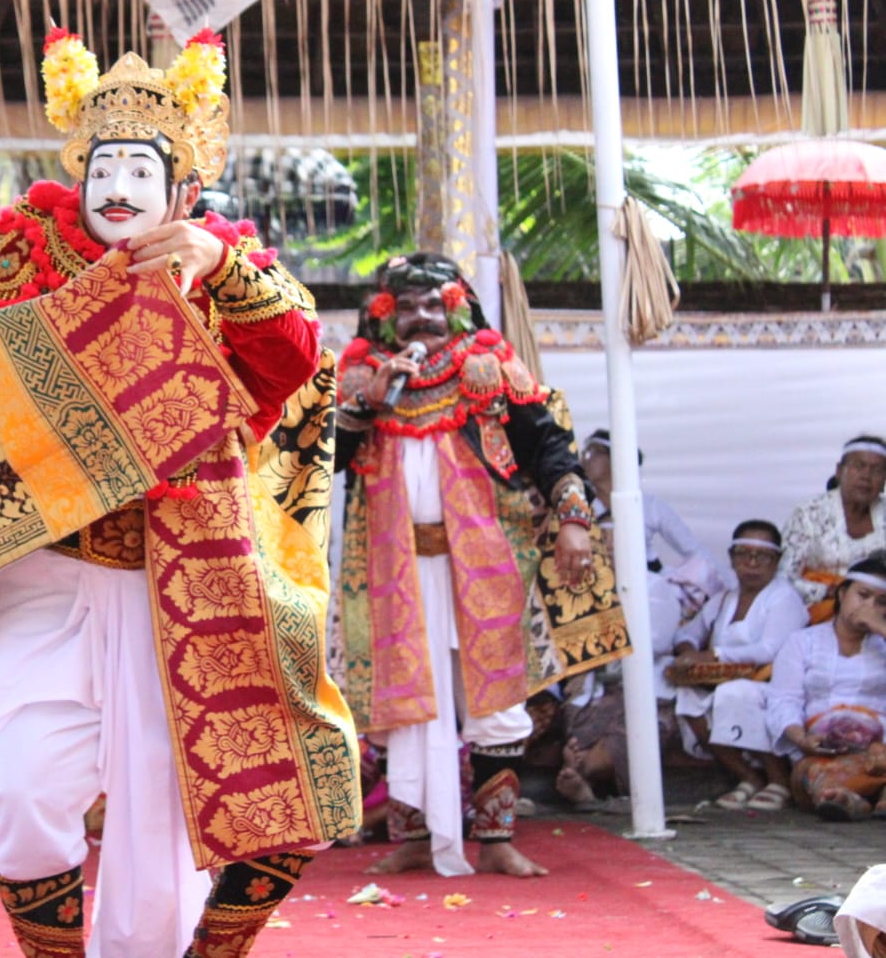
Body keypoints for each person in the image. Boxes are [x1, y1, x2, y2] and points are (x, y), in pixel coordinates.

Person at [0, 27, 360, 958]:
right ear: (78, 171)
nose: (119, 187)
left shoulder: (222, 267)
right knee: (22, 790)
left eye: (141, 169)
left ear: (181, 188)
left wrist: (219, 264)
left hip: (183, 575)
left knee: (164, 817)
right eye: (104, 166)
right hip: (46, 572)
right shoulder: (17, 255)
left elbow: (296, 356)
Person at [335, 252, 616, 879]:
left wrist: (574, 518)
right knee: (403, 708)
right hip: (392, 573)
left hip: (483, 568)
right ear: (385, 316)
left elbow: (548, 445)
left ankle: (496, 841)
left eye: (435, 306)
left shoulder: (489, 367)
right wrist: (366, 404)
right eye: (407, 308)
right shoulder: (362, 380)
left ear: (458, 310)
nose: (422, 319)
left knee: (496, 704)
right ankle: (414, 840)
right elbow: (318, 460)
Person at [665, 520, 808, 812]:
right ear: (731, 558)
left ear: (777, 561)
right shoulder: (725, 598)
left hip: (773, 684)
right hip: (724, 681)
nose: (752, 563)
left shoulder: (784, 598)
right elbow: (687, 633)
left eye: (762, 556)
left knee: (737, 693)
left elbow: (770, 649)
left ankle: (778, 780)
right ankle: (748, 777)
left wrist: (713, 655)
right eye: (744, 554)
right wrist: (688, 652)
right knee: (686, 696)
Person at [767, 556, 886, 821]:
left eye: (881, 602)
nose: (869, 607)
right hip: (823, 754)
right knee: (815, 774)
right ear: (842, 594)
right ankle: (850, 799)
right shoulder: (803, 642)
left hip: (879, 752)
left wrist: (880, 627)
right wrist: (801, 739)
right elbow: (783, 699)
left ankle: (869, 799)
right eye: (863, 596)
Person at [780, 436, 886, 610]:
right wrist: (833, 592)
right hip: (818, 610)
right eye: (859, 466)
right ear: (839, 471)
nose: (866, 476)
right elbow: (783, 577)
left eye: (877, 470)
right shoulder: (808, 513)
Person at [580, 430, 703, 571]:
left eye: (591, 452)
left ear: (616, 458)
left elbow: (694, 551)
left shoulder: (650, 506)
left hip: (646, 579)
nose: (583, 460)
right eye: (584, 453)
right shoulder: (578, 506)